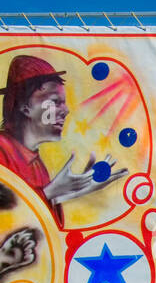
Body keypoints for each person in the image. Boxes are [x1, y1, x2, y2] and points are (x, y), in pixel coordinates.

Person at [0, 54, 124, 224]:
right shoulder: (2, 151)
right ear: (25, 106)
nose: (65, 111)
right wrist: (51, 192)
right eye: (55, 101)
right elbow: (7, 218)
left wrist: (74, 190)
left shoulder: (37, 165)